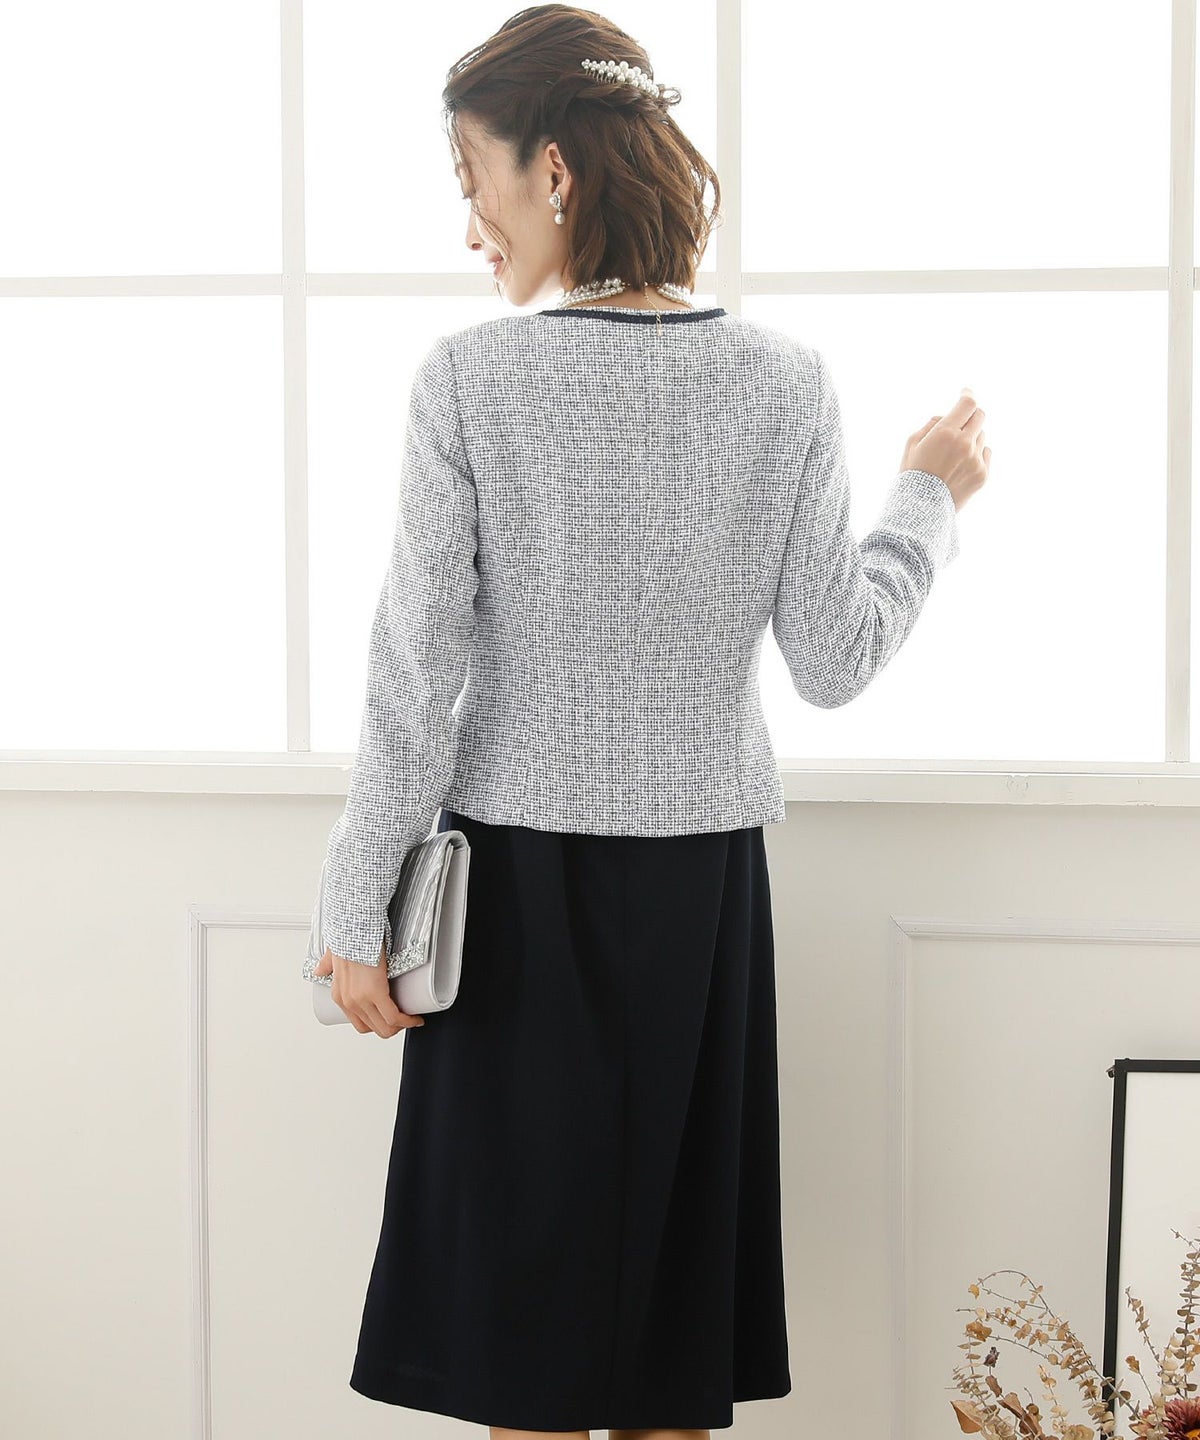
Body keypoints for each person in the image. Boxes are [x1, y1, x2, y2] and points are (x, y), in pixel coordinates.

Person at [310, 5, 990, 1438]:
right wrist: (926, 499)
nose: (470, 226)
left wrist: (355, 914)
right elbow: (835, 658)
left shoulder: (470, 381)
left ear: (552, 171)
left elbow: (414, 671)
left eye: (472, 181)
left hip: (514, 903)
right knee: (671, 1353)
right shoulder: (786, 380)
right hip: (703, 899)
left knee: (526, 1358)